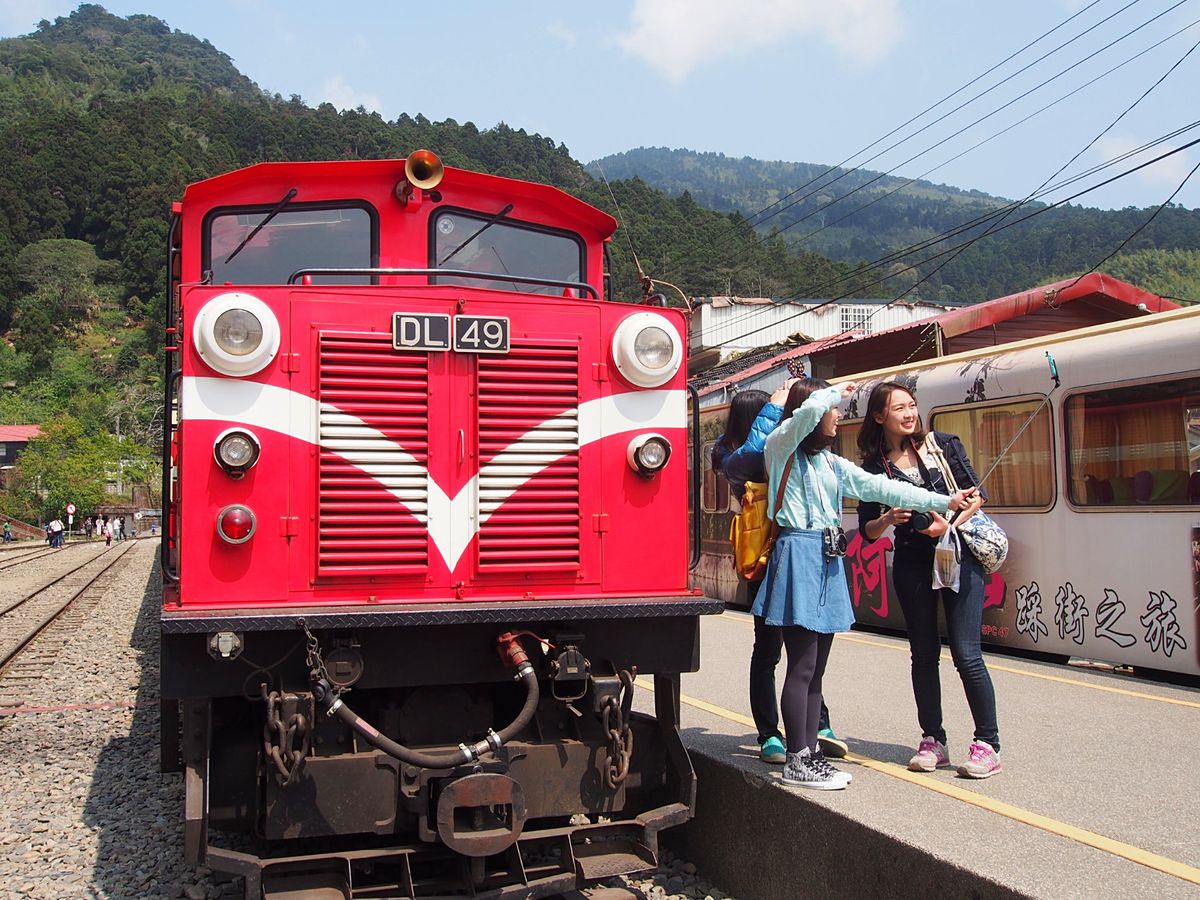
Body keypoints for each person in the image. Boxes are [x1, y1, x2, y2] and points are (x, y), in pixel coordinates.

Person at [753, 379, 977, 790]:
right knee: (801, 666)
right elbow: (802, 415)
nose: (838, 416)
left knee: (816, 670)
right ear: (815, 411)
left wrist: (940, 501)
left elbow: (880, 487)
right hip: (800, 555)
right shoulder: (780, 448)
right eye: (833, 410)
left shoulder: (830, 463)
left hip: (827, 557)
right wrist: (833, 389)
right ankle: (797, 759)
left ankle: (811, 753)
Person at [856, 381, 1002, 779]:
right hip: (911, 561)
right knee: (923, 654)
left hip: (960, 553)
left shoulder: (943, 444)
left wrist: (947, 524)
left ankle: (987, 744)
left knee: (966, 653)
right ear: (879, 416)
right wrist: (886, 519)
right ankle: (933, 740)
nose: (909, 413)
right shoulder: (873, 467)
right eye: (899, 407)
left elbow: (977, 495)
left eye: (912, 405)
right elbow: (866, 529)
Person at [716, 384, 848, 765]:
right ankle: (770, 732)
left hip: (791, 552)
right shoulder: (733, 451)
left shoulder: (799, 450)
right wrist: (774, 409)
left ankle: (814, 725)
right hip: (767, 553)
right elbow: (753, 454)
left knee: (805, 652)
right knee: (771, 648)